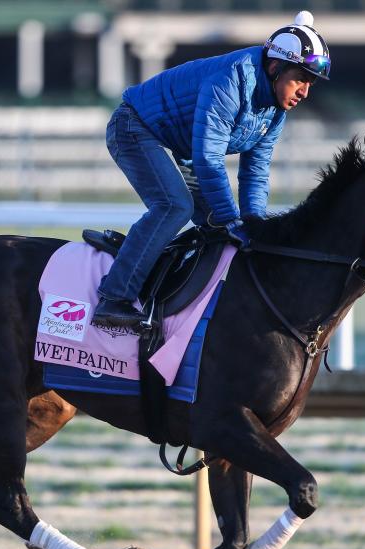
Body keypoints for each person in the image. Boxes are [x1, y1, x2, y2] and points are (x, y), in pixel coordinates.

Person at [91, 10, 332, 331]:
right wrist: (234, 220)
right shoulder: (232, 79)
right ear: (275, 67)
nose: (304, 93)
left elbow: (255, 174)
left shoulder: (276, 110)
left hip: (182, 149)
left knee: (219, 229)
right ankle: (115, 296)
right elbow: (208, 159)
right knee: (175, 206)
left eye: (310, 83)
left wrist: (253, 225)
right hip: (134, 127)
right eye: (300, 79)